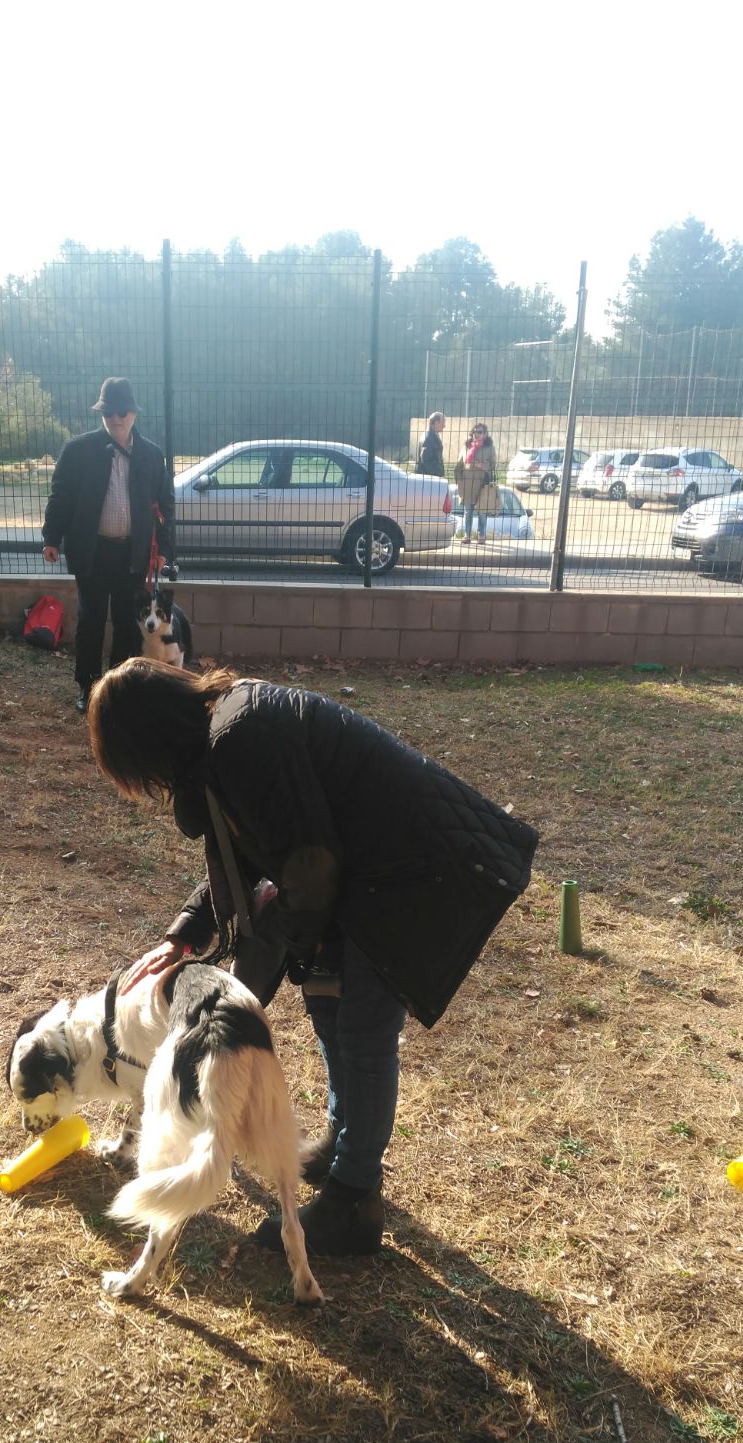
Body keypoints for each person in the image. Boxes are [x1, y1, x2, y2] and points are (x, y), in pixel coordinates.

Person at [87, 659, 538, 1257]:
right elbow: (250, 848)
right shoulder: (222, 736)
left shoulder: (239, 736)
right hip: (366, 870)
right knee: (330, 1010)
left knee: (363, 1030)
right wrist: (186, 934)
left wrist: (290, 946)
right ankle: (343, 1143)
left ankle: (354, 1200)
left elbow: (310, 864)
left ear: (149, 742)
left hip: (409, 871)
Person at [41, 377, 175, 713]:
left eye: (122, 411)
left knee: (128, 625)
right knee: (91, 621)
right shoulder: (78, 451)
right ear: (101, 413)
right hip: (93, 551)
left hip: (134, 553)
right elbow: (61, 497)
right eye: (108, 411)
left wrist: (165, 552)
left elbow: (165, 505)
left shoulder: (151, 455)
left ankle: (118, 687)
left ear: (133, 413)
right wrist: (51, 537)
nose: (116, 418)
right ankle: (88, 687)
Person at [456, 422, 497, 544]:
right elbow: (459, 464)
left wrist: (482, 465)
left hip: (482, 484)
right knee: (468, 511)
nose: (476, 434)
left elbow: (494, 465)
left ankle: (481, 536)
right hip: (467, 484)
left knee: (482, 511)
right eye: (474, 432)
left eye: (479, 432)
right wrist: (459, 479)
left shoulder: (490, 447)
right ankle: (467, 535)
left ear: (485, 434)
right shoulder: (466, 446)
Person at [416, 411, 446, 477]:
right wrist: (438, 474)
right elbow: (426, 461)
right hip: (429, 480)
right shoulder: (429, 438)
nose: (444, 426)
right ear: (436, 423)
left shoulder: (430, 435)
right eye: (443, 422)